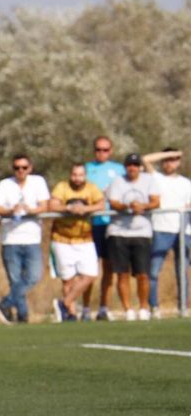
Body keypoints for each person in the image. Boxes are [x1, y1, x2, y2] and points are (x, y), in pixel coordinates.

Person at [0, 154, 49, 324]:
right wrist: (10, 211)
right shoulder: (4, 184)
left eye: (24, 167)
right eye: (17, 168)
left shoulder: (38, 182)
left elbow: (45, 205)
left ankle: (4, 304)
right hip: (10, 239)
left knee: (33, 277)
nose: (20, 171)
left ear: (30, 168)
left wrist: (30, 210)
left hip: (32, 238)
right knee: (15, 281)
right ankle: (23, 316)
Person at [46, 162, 104, 321]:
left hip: (84, 239)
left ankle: (64, 303)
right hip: (62, 239)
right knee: (67, 279)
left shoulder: (91, 188)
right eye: (74, 175)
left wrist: (85, 209)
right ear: (70, 175)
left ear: (85, 176)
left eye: (80, 175)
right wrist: (69, 208)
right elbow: (52, 204)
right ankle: (70, 313)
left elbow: (101, 204)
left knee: (91, 274)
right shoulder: (62, 187)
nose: (77, 178)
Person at [103, 152, 158, 320]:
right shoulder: (118, 181)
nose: (132, 168)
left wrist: (143, 206)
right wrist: (128, 206)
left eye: (135, 165)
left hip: (141, 232)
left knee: (143, 274)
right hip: (119, 232)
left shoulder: (148, 180)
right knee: (122, 273)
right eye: (129, 165)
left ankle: (143, 307)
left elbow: (156, 201)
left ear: (140, 167)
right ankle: (128, 310)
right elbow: (113, 202)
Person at [142, 149, 189, 318]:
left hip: (183, 232)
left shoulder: (186, 183)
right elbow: (146, 159)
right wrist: (171, 153)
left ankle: (182, 307)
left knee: (181, 271)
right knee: (153, 271)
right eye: (167, 160)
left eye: (174, 160)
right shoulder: (157, 179)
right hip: (162, 230)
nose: (170, 163)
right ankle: (154, 306)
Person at [85, 136, 126, 320]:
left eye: (105, 150)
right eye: (98, 149)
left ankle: (104, 307)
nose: (101, 153)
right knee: (89, 269)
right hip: (91, 225)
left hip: (111, 224)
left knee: (109, 268)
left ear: (111, 150)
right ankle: (85, 308)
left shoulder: (119, 170)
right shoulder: (87, 169)